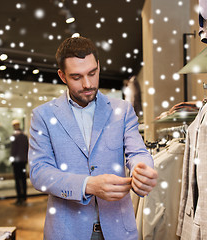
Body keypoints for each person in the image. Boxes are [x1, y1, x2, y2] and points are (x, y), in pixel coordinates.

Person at [28, 36, 157, 240]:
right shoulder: (43, 115)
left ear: (98, 66)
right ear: (62, 76)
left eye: (92, 73)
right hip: (67, 231)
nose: (87, 84)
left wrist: (143, 168)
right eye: (76, 77)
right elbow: (39, 172)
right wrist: (88, 184)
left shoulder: (122, 110)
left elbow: (138, 152)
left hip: (118, 229)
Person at [10, 119, 29, 205]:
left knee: (18, 180)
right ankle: (24, 197)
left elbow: (13, 150)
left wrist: (12, 159)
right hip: (23, 160)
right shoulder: (24, 136)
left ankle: (19, 199)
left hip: (17, 161)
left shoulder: (14, 136)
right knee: (23, 179)